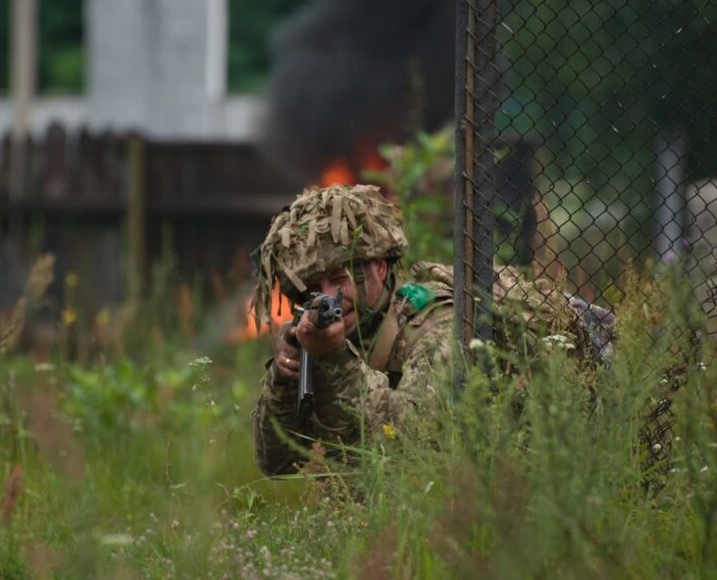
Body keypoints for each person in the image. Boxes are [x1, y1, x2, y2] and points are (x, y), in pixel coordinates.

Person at [250, 184, 611, 477]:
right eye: (313, 286)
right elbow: (277, 461)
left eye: (339, 279)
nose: (328, 297)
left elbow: (410, 445)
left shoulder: (436, 323)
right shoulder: (332, 333)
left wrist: (333, 357)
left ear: (378, 268)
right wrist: (286, 376)